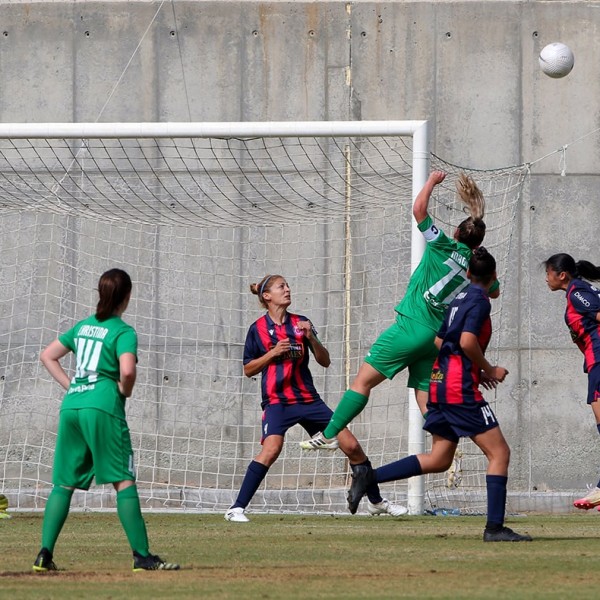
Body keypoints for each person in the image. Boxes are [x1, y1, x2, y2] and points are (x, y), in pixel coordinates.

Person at [300, 170, 498, 513]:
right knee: (430, 410)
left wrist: (433, 181)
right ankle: (442, 443)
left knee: (363, 381)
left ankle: (331, 433)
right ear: (478, 245)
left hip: (409, 328)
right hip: (433, 342)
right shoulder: (475, 267)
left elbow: (418, 209)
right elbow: (493, 288)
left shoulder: (441, 244)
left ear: (455, 233)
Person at [350, 248, 531, 542]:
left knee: (439, 458)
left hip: (438, 382)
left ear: (468, 274)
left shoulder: (458, 297)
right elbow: (467, 340)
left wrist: (474, 370)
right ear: (493, 276)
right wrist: (489, 368)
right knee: (499, 453)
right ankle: (495, 528)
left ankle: (369, 476)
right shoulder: (479, 301)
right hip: (459, 389)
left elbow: (439, 340)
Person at [224, 274, 407, 522]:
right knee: (271, 450)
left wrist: (311, 338)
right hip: (277, 402)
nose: (288, 289)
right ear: (267, 296)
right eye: (281, 287)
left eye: (288, 285)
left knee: (352, 446)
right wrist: (273, 353)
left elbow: (325, 360)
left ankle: (376, 502)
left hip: (310, 401)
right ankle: (236, 508)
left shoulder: (302, 323)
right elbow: (248, 369)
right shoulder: (257, 329)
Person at [32, 269, 179, 572]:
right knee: (123, 479)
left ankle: (44, 554)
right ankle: (142, 555)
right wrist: (124, 391)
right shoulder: (123, 331)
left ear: (100, 293)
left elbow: (48, 355)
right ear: (126, 296)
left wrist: (72, 385)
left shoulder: (83, 326)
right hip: (103, 407)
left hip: (72, 406)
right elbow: (126, 371)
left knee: (63, 482)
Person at [544, 253, 600, 510]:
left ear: (561, 275)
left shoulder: (577, 292)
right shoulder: (579, 290)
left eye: (548, 273)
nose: (547, 279)